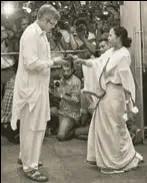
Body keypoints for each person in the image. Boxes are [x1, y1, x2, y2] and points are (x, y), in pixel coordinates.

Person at [74, 26, 143, 174]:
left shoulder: (124, 54)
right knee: (103, 125)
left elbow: (126, 80)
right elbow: (97, 63)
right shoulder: (110, 52)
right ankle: (106, 157)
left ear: (119, 37)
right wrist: (82, 61)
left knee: (114, 126)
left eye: (111, 35)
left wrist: (128, 103)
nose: (108, 38)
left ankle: (119, 159)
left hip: (116, 94)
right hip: (107, 93)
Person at [10, 4, 62, 182]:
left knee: (35, 125)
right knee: (33, 127)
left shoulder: (41, 34)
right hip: (31, 90)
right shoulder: (32, 34)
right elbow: (31, 63)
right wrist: (52, 62)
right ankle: (30, 166)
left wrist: (50, 61)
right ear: (45, 20)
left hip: (37, 88)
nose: (53, 27)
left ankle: (25, 156)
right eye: (52, 24)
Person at [51, 54, 81, 141]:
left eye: (67, 70)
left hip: (71, 114)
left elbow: (76, 100)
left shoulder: (76, 81)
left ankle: (75, 130)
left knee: (61, 136)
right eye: (63, 71)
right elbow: (56, 95)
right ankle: (59, 127)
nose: (65, 72)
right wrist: (53, 92)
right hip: (61, 110)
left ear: (72, 69)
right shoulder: (60, 80)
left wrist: (61, 96)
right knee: (49, 111)